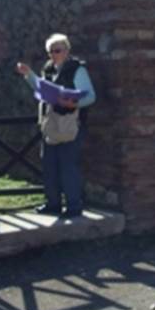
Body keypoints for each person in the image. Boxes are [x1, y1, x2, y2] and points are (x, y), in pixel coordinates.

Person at [15, 33, 96, 218]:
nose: (53, 54)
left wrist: (74, 104)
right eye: (50, 51)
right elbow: (41, 88)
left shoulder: (77, 70)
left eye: (57, 50)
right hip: (51, 124)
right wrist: (29, 74)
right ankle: (53, 204)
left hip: (70, 124)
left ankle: (74, 206)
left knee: (68, 165)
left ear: (67, 51)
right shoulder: (49, 69)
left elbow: (90, 96)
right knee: (49, 164)